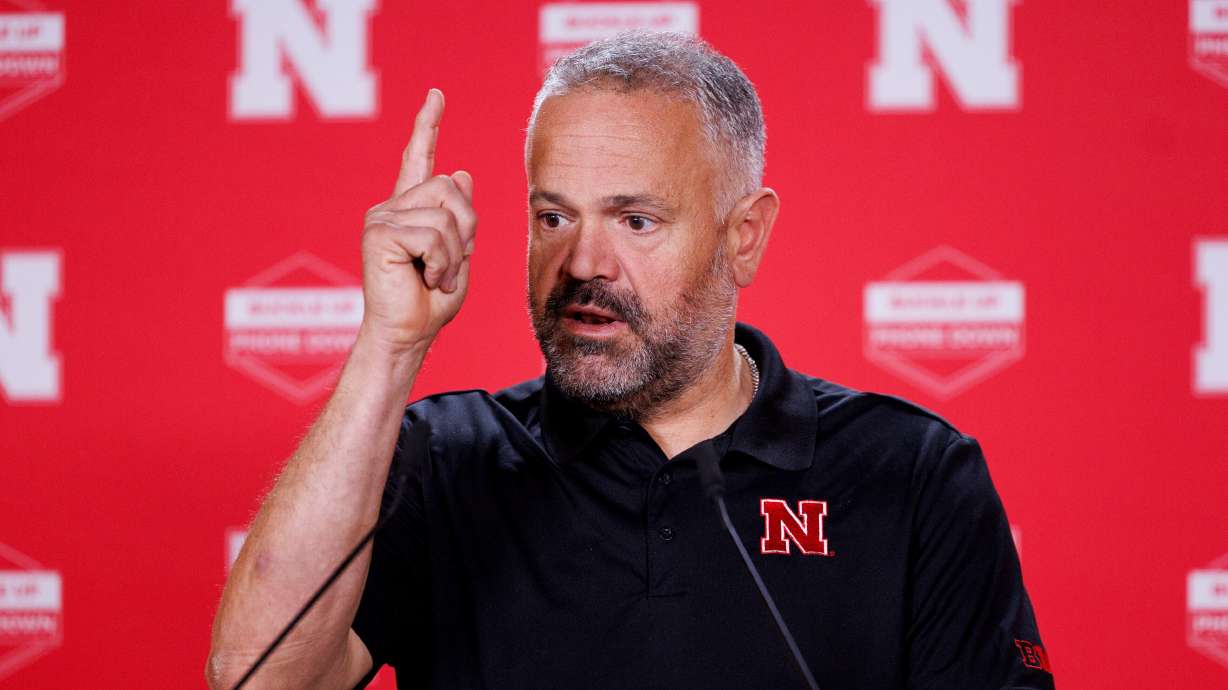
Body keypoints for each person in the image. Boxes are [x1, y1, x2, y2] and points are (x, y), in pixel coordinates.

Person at [207, 31, 1053, 690]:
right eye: (553, 218)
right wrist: (389, 347)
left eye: (635, 221)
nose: (583, 263)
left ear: (743, 237)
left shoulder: (913, 474)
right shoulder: (446, 458)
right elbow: (255, 678)